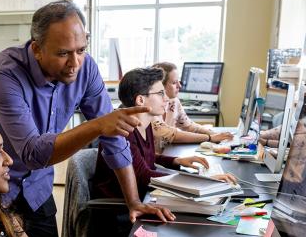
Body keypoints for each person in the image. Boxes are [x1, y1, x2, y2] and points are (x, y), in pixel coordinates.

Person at [0, 0, 173, 237]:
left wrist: (134, 202)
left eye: (81, 49)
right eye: (63, 53)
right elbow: (33, 154)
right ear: (37, 49)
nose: (75, 63)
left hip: (37, 189)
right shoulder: (5, 72)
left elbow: (115, 141)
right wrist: (97, 126)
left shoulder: (85, 69)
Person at [92, 68, 237, 200]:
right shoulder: (124, 131)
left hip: (143, 196)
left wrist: (176, 161)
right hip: (117, 210)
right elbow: (143, 175)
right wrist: (200, 181)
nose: (166, 99)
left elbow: (144, 159)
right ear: (140, 100)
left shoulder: (145, 124)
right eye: (161, 93)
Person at [151, 62, 233, 151]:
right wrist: (210, 138)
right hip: (153, 160)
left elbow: (189, 126)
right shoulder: (151, 108)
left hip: (167, 156)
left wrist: (215, 134)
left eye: (179, 81)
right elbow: (173, 135)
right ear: (160, 86)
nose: (180, 85)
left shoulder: (173, 101)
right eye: (174, 82)